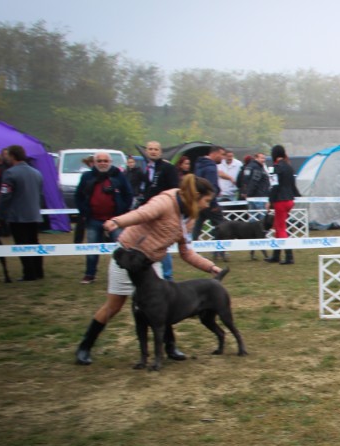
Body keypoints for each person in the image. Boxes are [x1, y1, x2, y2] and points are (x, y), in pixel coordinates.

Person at [74, 175, 227, 365]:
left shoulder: (190, 217)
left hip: (150, 263)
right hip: (129, 256)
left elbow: (186, 252)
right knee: (114, 305)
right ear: (196, 196)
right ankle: (85, 346)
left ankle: (170, 347)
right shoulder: (165, 202)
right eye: (206, 200)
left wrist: (210, 267)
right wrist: (118, 222)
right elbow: (142, 214)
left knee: (162, 303)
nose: (207, 205)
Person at [75, 151, 134, 284]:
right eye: (99, 161)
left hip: (115, 220)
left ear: (110, 162)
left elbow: (128, 194)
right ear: (94, 162)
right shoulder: (86, 176)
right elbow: (78, 196)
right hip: (93, 219)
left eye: (105, 161)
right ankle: (90, 274)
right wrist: (84, 211)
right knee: (92, 248)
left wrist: (123, 211)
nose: (102, 163)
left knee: (121, 247)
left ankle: (123, 274)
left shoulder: (119, 175)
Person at [0, 145, 44, 281]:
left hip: (18, 216)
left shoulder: (10, 173)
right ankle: (38, 271)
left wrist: (0, 215)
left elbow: (5, 196)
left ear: (12, 156)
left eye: (8, 156)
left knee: (22, 244)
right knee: (34, 243)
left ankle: (29, 274)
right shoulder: (36, 173)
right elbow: (40, 194)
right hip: (34, 214)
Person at [141, 141, 181, 280]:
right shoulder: (147, 168)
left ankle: (167, 276)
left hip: (163, 211)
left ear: (160, 152)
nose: (153, 152)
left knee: (161, 244)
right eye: (150, 149)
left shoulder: (168, 168)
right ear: (146, 151)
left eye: (156, 149)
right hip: (149, 210)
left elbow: (175, 188)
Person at [264, 145, 300, 265]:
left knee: (281, 228)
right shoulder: (289, 166)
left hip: (280, 201)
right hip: (289, 200)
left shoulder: (275, 168)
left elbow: (274, 186)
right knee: (278, 226)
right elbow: (293, 185)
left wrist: (270, 201)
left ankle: (289, 256)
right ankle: (276, 255)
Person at [237, 152, 271, 219]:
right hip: (259, 197)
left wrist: (246, 193)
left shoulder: (248, 167)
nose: (263, 160)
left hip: (251, 197)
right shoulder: (257, 167)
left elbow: (244, 181)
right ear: (256, 158)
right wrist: (249, 193)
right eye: (261, 158)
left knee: (252, 217)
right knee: (262, 218)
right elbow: (254, 181)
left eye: (264, 158)